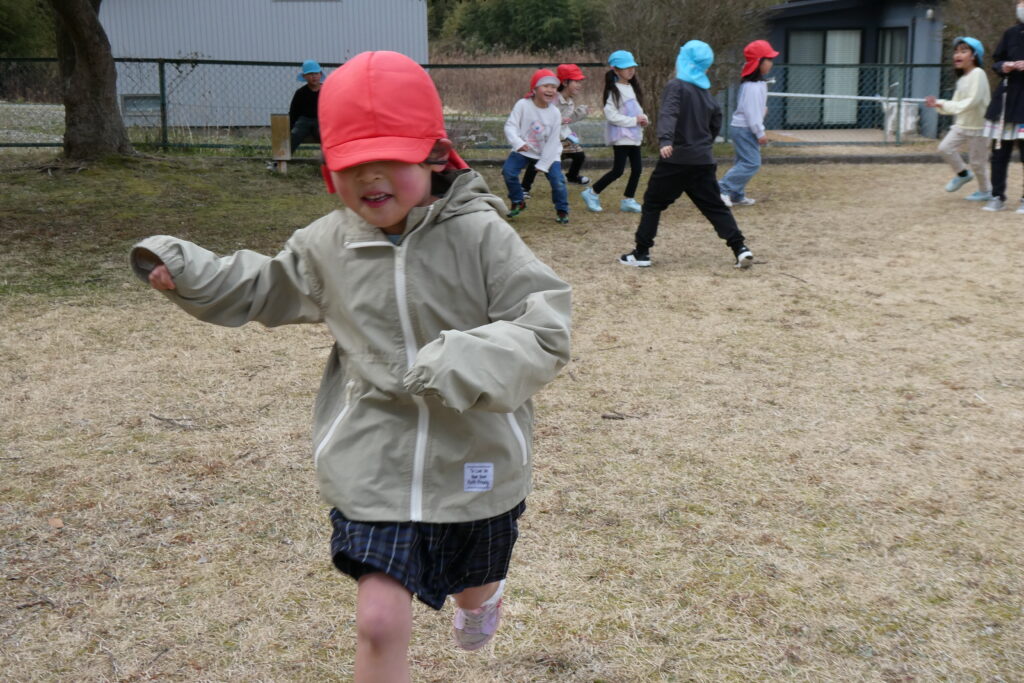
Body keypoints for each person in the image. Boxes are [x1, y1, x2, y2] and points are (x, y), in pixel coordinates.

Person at [129, 51, 571, 682]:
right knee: (379, 621)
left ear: (435, 155)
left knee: (473, 581)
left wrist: (468, 358)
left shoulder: (482, 235)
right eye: (351, 164)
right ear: (328, 171)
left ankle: (483, 599)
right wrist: (189, 271)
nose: (371, 177)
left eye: (390, 158)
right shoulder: (326, 244)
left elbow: (544, 327)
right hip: (373, 455)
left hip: (476, 452)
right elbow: (263, 285)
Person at [618, 40, 753, 269]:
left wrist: (666, 139)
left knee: (652, 203)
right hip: (702, 160)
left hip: (676, 160)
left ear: (684, 61)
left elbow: (669, 112)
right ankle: (740, 248)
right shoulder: (705, 93)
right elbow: (716, 121)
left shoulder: (676, 86)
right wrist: (703, 144)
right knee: (715, 206)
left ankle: (641, 253)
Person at [581, 50, 649, 213]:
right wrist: (634, 121)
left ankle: (628, 200)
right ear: (616, 70)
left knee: (637, 169)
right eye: (626, 67)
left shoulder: (632, 88)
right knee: (618, 170)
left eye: (632, 66)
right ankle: (591, 192)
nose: (631, 70)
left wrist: (644, 119)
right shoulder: (613, 91)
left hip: (634, 136)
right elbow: (611, 116)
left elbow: (638, 111)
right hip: (621, 136)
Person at [925, 37, 992, 201]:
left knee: (977, 163)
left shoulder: (978, 74)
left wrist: (943, 104)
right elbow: (956, 104)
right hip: (961, 125)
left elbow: (972, 102)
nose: (957, 55)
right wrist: (938, 104)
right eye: (956, 51)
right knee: (944, 148)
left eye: (963, 51)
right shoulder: (962, 79)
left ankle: (985, 191)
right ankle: (963, 174)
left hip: (979, 127)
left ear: (974, 56)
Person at [502, 69, 571, 224]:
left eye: (553, 87)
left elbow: (553, 142)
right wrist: (518, 143)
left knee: (558, 182)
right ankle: (518, 201)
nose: (550, 90)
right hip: (524, 149)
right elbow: (510, 126)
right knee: (508, 172)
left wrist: (544, 164)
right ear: (534, 89)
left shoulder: (555, 113)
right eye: (545, 86)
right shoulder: (522, 105)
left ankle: (562, 210)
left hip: (549, 153)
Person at [718, 40, 779, 208]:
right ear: (759, 62)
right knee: (752, 163)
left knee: (743, 162)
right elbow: (751, 113)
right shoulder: (752, 86)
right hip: (745, 129)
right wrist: (760, 132)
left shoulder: (757, 84)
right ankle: (722, 188)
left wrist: (761, 115)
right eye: (768, 59)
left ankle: (736, 195)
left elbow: (754, 110)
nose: (771, 63)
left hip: (745, 128)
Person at [522, 63, 591, 198]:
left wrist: (580, 113)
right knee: (537, 161)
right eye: (576, 81)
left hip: (562, 136)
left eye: (580, 82)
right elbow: (542, 116)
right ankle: (524, 188)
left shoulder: (569, 100)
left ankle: (572, 176)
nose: (579, 85)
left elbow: (567, 120)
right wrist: (558, 121)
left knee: (579, 155)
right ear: (565, 82)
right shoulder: (552, 99)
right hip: (546, 137)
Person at [982, 1, 1024, 212]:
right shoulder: (1010, 33)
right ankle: (997, 195)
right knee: (999, 152)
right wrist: (1004, 66)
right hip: (1006, 100)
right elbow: (996, 61)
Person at [288, 59, 324, 156]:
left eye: (316, 73)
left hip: (321, 120)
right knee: (295, 134)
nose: (314, 76)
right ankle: (281, 159)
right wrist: (289, 127)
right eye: (310, 74)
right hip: (304, 120)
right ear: (304, 76)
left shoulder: (327, 90)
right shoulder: (300, 93)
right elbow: (293, 112)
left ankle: (330, 160)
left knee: (324, 136)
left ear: (320, 74)